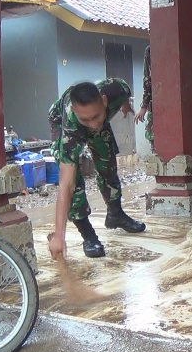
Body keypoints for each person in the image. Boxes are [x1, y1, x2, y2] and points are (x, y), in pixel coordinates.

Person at [47, 78, 146, 259]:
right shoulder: (72, 123)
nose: (93, 124)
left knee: (107, 164)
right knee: (74, 181)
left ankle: (115, 214)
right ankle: (88, 235)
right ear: (77, 112)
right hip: (61, 122)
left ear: (105, 101)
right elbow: (65, 184)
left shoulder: (119, 89)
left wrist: (124, 106)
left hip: (94, 116)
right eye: (87, 119)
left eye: (96, 116)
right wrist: (59, 235)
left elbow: (123, 95)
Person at [134, 45, 154, 152]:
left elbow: (147, 80)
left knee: (154, 139)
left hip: (158, 103)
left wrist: (144, 106)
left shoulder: (150, 50)